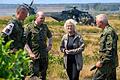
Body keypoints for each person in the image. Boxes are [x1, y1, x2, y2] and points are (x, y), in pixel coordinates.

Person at [24, 11, 52, 80]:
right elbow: (25, 42)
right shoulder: (29, 27)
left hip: (44, 55)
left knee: (43, 75)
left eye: (44, 18)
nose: (43, 20)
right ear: (36, 17)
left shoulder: (45, 26)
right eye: (41, 18)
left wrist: (50, 45)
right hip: (34, 56)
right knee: (34, 76)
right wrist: (30, 53)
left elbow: (50, 36)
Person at [92, 14, 118, 80]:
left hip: (107, 64)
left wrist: (101, 62)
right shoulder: (107, 30)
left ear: (101, 22)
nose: (95, 22)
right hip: (110, 63)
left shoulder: (109, 32)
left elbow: (110, 50)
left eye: (96, 21)